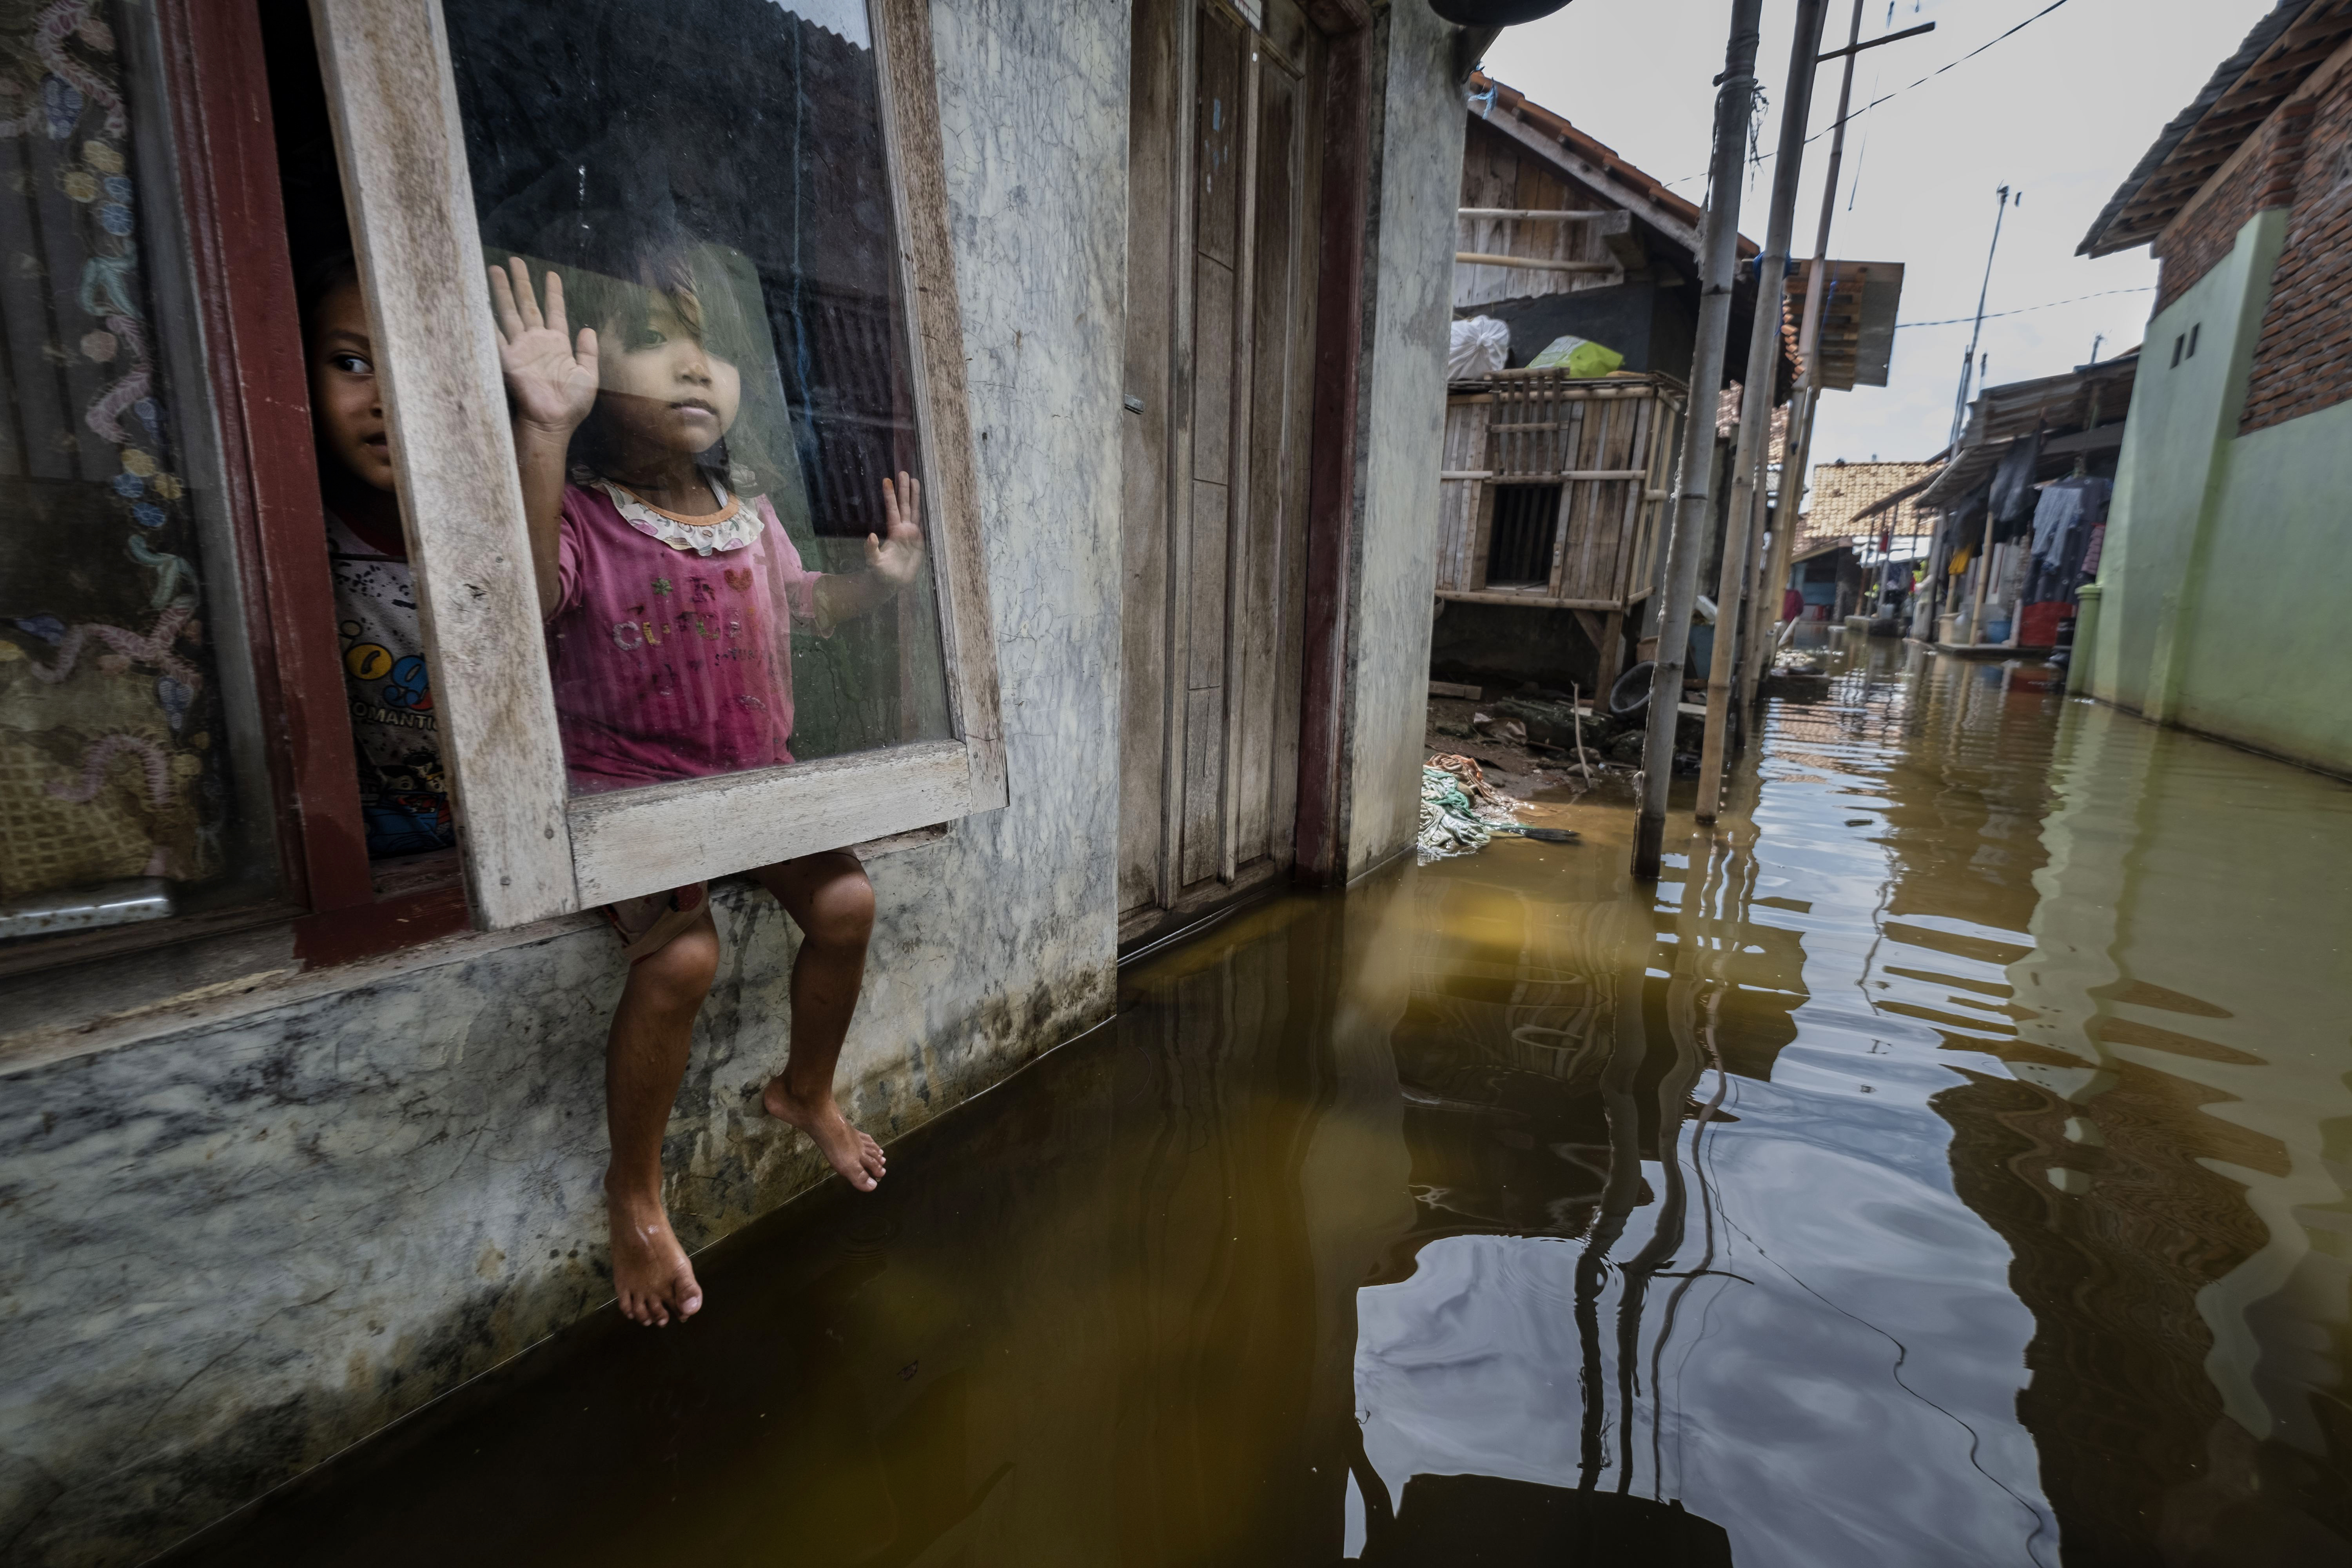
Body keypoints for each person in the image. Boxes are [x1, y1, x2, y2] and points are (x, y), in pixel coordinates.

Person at [486, 248, 927, 1328]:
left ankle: (804, 1090)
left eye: (711, 348)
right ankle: (634, 1194)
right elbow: (524, 596)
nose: (694, 368)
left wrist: (878, 583)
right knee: (683, 956)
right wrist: (539, 431)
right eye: (656, 344)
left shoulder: (749, 514)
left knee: (848, 903)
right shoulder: (586, 518)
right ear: (594, 380)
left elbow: (808, 609)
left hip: (751, 790)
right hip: (629, 796)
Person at [305, 257, 457, 860]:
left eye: (425, 364)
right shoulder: (288, 544)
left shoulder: (530, 537)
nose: (388, 395)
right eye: (352, 364)